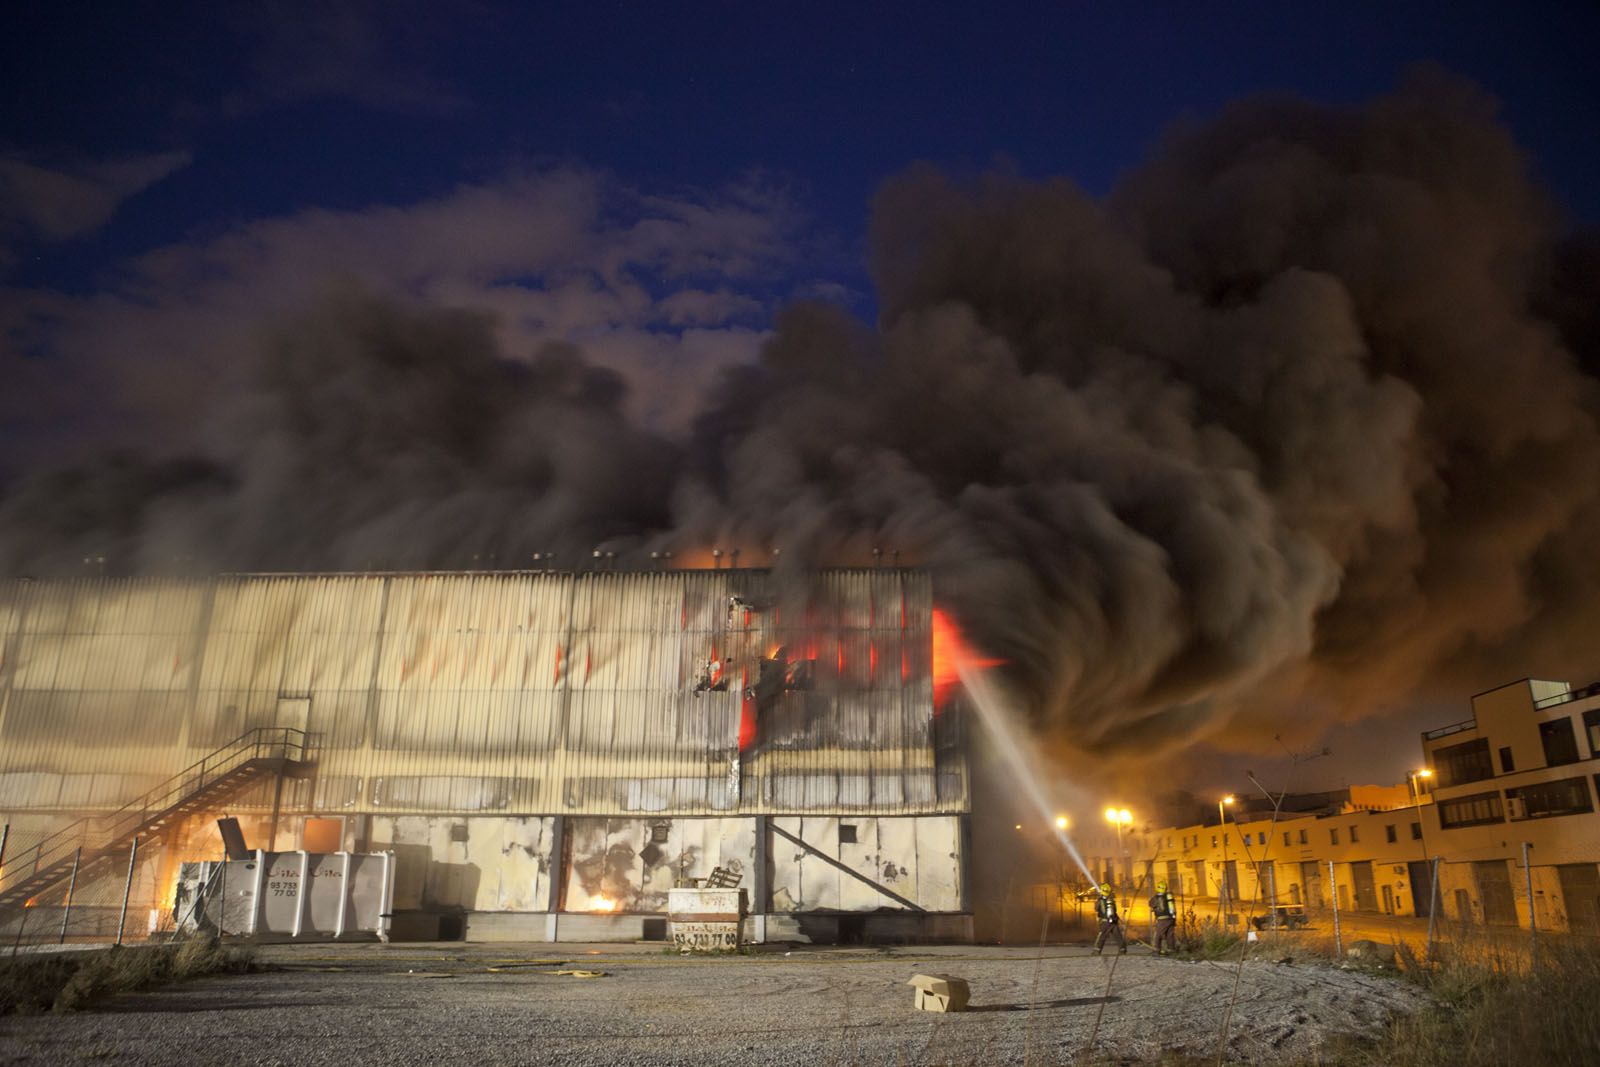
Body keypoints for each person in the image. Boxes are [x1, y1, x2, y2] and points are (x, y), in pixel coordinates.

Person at [1093, 883, 1126, 955]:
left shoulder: (1100, 901)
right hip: (1113, 922)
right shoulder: (1111, 900)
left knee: (1102, 936)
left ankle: (1097, 951)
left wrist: (1099, 900)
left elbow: (1096, 909)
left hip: (1105, 922)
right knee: (1118, 936)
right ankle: (1122, 950)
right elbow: (1115, 910)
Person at [1150, 880, 1178, 955]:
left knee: (1158, 934)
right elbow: (1172, 907)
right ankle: (1171, 950)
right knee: (1170, 934)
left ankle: (1156, 950)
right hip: (1171, 918)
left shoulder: (1156, 898)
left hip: (1162, 919)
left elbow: (1150, 904)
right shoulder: (1169, 896)